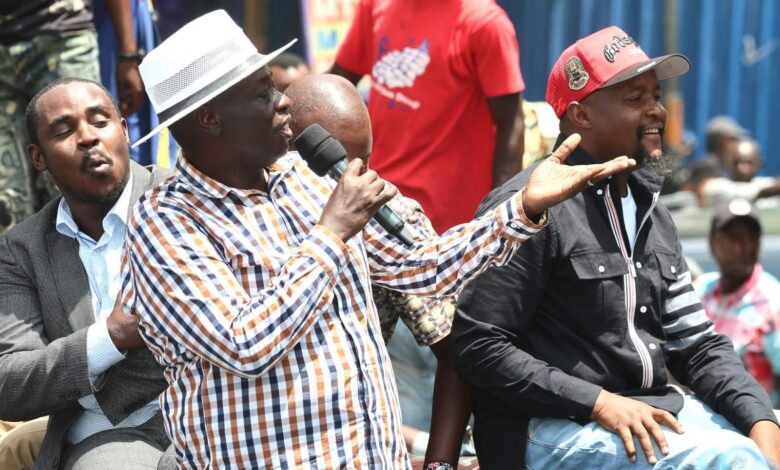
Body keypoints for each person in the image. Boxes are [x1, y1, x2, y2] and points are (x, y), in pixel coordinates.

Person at [121, 11, 634, 469]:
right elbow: (244, 344)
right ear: (210, 119)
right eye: (262, 93)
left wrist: (520, 210)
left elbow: (423, 268)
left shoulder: (303, 177)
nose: (284, 104)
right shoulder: (164, 223)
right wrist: (331, 233)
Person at [452, 25, 780, 469]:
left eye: (656, 96)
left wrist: (762, 421)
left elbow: (697, 344)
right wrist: (597, 402)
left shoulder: (652, 209)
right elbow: (479, 346)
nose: (656, 112)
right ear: (582, 117)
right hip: (546, 427)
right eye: (635, 99)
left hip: (647, 411)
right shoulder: (527, 206)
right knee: (729, 459)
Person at [285, 73, 470, 468]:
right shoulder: (245, 211)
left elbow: (455, 350)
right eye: (334, 165)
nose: (357, 180)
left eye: (365, 161)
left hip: (353, 439)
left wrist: (440, 463)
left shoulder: (389, 216)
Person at [0, 77, 170, 469]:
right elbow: (9, 382)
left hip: (207, 412)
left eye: (100, 121)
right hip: (106, 436)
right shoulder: (21, 250)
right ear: (38, 157)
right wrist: (109, 338)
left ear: (124, 131)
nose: (88, 137)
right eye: (64, 130)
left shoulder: (179, 198)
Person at [330, 0, 525, 233]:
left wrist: (499, 221)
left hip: (447, 226)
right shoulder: (375, 6)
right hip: (375, 204)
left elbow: (511, 125)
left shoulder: (486, 24)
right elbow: (335, 86)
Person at [0, 0, 144, 234]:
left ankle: (119, 260)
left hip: (61, 33)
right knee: (7, 204)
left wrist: (128, 54)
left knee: (85, 184)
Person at [696, 199, 780, 407]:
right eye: (733, 238)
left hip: (753, 426)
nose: (743, 246)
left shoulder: (772, 304)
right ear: (713, 244)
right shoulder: (700, 290)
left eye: (751, 238)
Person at [699, 138, 780, 207]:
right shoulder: (714, 186)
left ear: (759, 164)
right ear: (727, 163)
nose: (742, 168)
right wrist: (768, 191)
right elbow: (746, 193)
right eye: (737, 162)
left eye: (748, 162)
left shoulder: (766, 183)